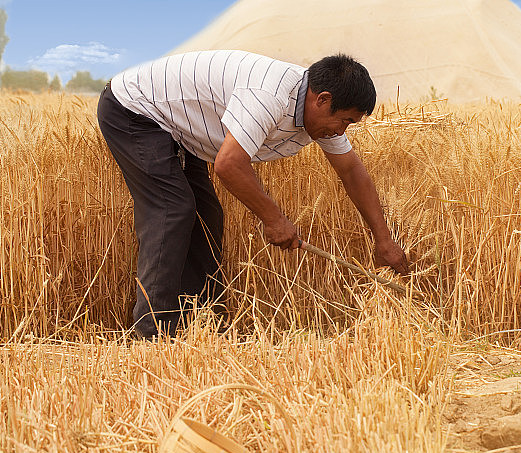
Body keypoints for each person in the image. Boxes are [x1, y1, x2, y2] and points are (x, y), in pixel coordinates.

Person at [96, 50, 409, 338]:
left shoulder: (317, 113)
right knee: (172, 209)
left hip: (180, 123)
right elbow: (229, 164)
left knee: (207, 216)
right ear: (323, 99)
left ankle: (201, 326)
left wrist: (382, 239)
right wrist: (275, 220)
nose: (342, 131)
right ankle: (152, 334)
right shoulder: (268, 96)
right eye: (345, 121)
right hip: (136, 107)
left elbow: (351, 170)